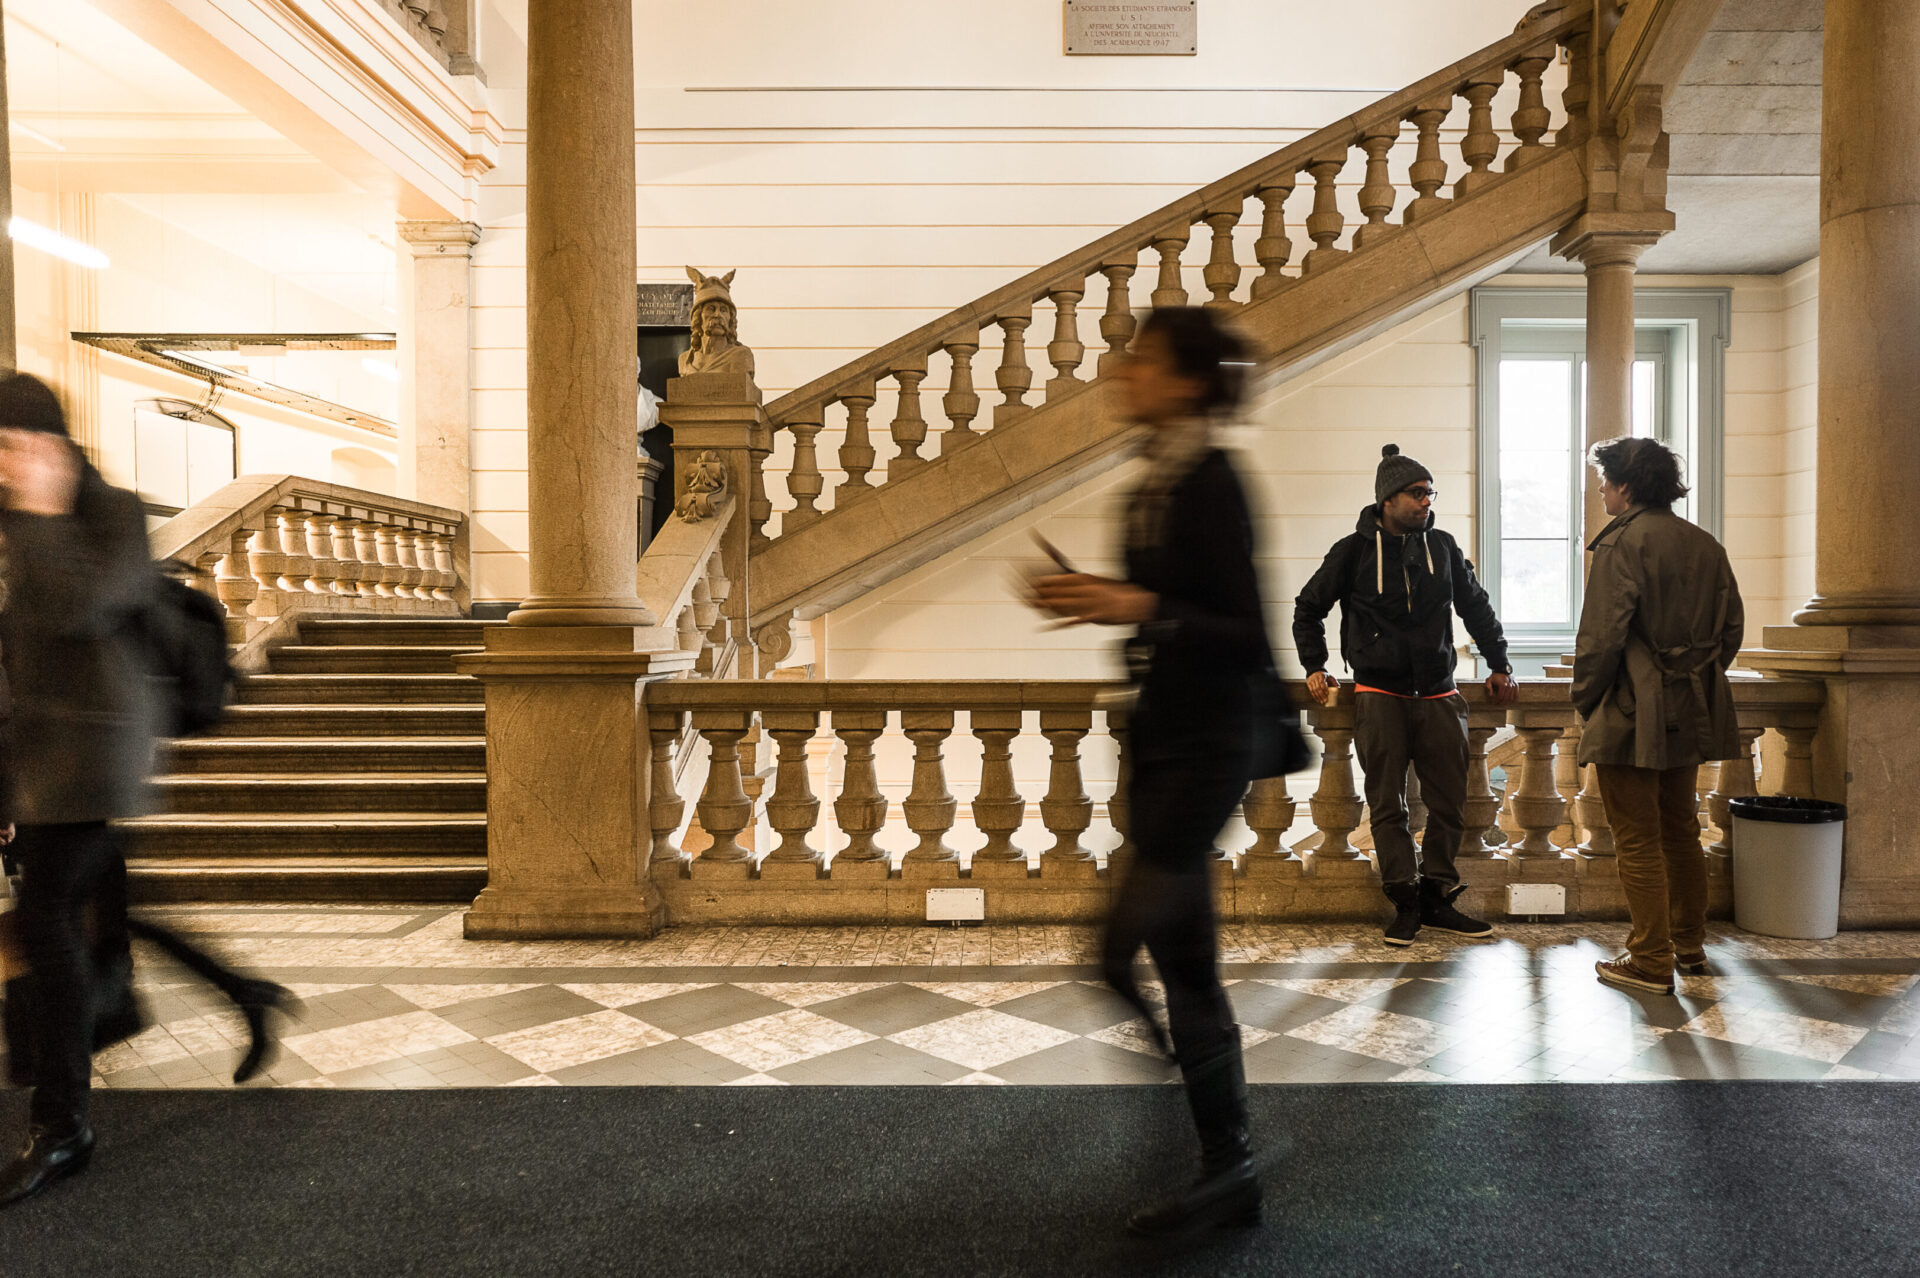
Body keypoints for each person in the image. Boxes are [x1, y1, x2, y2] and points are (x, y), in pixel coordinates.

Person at [0, 372, 283, 1209]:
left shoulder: (110, 513)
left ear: (51, 442)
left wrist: (44, 513)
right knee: (101, 912)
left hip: (94, 753)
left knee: (49, 924)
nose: (6, 464)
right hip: (38, 757)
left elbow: (84, 608)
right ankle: (248, 991)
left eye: (15, 446)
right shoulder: (19, 516)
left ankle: (63, 1126)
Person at [1031, 307, 1268, 1239]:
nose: (1121, 371)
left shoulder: (1213, 480)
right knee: (1186, 966)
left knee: (1112, 954)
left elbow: (1244, 631)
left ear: (1185, 380)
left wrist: (1131, 602)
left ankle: (1212, 1123)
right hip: (1164, 743)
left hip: (1205, 752)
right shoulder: (1156, 478)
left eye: (1142, 359)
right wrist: (1101, 599)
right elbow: (1174, 606)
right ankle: (1228, 1165)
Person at [1293, 445, 1517, 946]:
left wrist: (1499, 663)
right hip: (1379, 692)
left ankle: (1437, 894)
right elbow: (1308, 608)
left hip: (1439, 693)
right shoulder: (1351, 552)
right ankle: (1405, 902)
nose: (1427, 502)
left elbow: (1476, 609)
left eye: (1430, 493)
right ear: (1387, 499)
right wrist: (1315, 666)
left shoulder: (1442, 547)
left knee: (1450, 801)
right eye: (1417, 493)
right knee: (1388, 804)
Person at [1573, 436, 1744, 996]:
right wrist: (1693, 675)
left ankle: (1649, 960)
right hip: (1691, 708)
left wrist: (1588, 700)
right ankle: (1689, 946)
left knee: (1638, 838)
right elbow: (1732, 629)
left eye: (1605, 480)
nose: (1600, 489)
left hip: (1631, 711)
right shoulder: (1704, 543)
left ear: (1627, 485)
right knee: (1682, 831)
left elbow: (1600, 639)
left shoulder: (1621, 544)